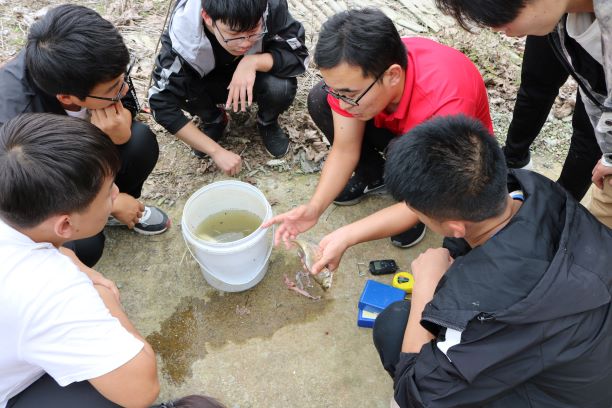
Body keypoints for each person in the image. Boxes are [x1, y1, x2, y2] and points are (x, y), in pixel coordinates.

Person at [374, 114, 612, 407]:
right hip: (588, 360)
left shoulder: (485, 312)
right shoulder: (535, 189)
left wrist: (426, 289)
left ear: (455, 227)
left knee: (394, 325)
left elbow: (415, 395)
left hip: (566, 397)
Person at [263, 8, 492, 271]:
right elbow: (345, 149)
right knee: (320, 99)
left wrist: (346, 235)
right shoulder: (359, 80)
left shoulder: (446, 104)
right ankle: (373, 177)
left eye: (349, 93)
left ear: (393, 75)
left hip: (453, 163)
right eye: (337, 91)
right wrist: (314, 208)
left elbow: (441, 189)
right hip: (403, 128)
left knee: (403, 156)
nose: (342, 103)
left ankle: (415, 212)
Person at [1, 114, 159, 408]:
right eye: (108, 192)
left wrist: (77, 266)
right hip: (9, 389)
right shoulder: (49, 291)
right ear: (64, 224)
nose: (116, 192)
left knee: (82, 245)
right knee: (105, 399)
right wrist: (101, 295)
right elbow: (141, 389)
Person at [0, 4, 170, 267]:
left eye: (123, 77)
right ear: (66, 98)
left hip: (79, 158)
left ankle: (105, 210)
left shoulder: (90, 63)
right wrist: (113, 201)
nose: (124, 89)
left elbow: (125, 98)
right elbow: (34, 196)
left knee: (139, 142)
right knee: (85, 246)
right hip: (44, 191)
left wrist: (121, 132)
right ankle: (104, 212)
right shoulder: (17, 122)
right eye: (114, 88)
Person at [434, 0, 612, 227]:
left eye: (499, 18)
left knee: (587, 133)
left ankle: (559, 206)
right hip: (559, 20)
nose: (498, 30)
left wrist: (610, 157)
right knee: (535, 87)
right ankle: (514, 160)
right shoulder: (555, 13)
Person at [148, 0, 308, 173]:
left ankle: (267, 122)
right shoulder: (182, 38)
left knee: (281, 86)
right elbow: (160, 102)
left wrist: (253, 62)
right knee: (181, 88)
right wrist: (215, 151)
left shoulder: (270, 6)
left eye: (254, 30)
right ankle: (213, 118)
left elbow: (297, 54)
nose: (245, 43)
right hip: (207, 82)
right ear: (207, 17)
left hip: (255, 77)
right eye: (234, 33)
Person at [504, 35, 600, 202]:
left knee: (590, 125)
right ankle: (512, 161)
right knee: (535, 86)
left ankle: (560, 202)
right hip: (556, 22)